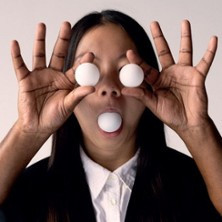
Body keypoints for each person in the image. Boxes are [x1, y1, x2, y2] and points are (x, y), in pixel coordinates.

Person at [0, 9, 221, 222]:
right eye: (90, 72)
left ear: (151, 85)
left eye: (126, 71)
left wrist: (197, 129)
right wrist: (27, 131)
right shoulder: (28, 194)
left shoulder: (197, 185)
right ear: (64, 91)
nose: (109, 87)